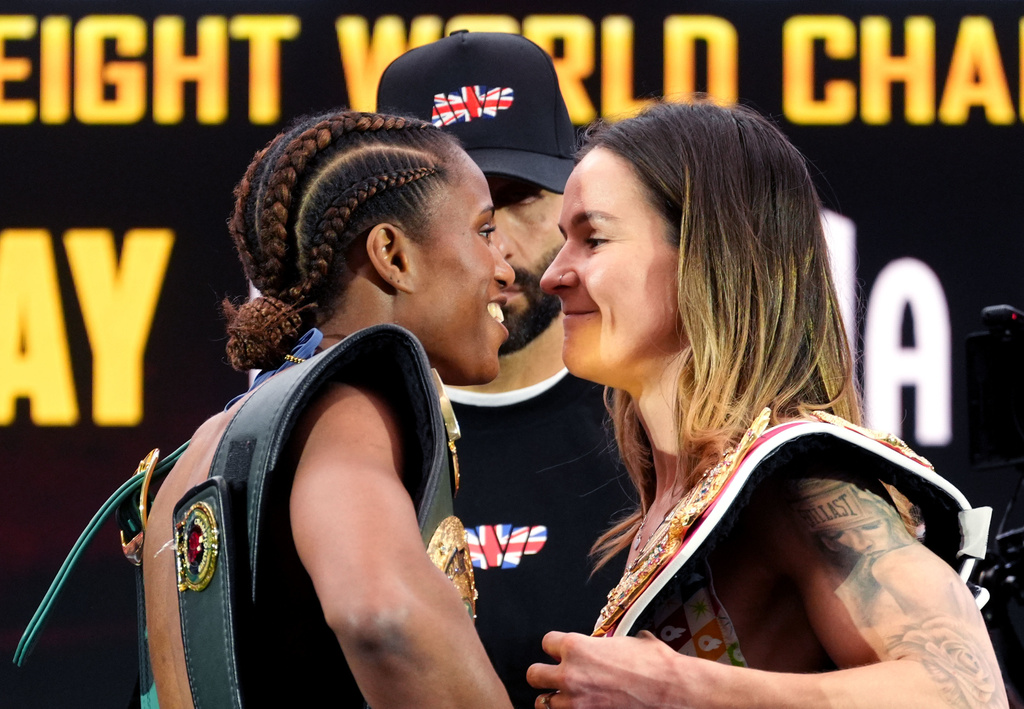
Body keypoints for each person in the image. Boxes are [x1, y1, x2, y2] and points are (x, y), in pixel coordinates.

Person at [527, 100, 1008, 708]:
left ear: (706, 259)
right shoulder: (679, 494)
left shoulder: (797, 482)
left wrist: (674, 688)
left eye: (592, 239)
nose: (553, 275)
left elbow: (967, 694)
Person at [141, 110, 515, 708]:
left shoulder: (204, 445)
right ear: (392, 255)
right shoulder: (348, 407)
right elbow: (382, 615)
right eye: (485, 229)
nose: (504, 266)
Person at [376, 31, 631, 707]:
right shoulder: (337, 436)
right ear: (389, 240)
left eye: (516, 198)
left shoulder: (658, 425)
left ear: (573, 200)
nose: (499, 250)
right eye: (465, 213)